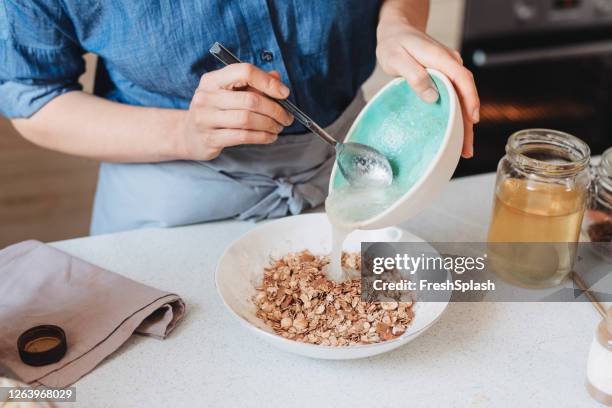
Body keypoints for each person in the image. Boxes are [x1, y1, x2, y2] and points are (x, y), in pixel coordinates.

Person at [0, 0, 479, 234]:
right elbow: (33, 96)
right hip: (171, 197)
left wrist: (398, 23)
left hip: (345, 168)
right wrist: (185, 133)